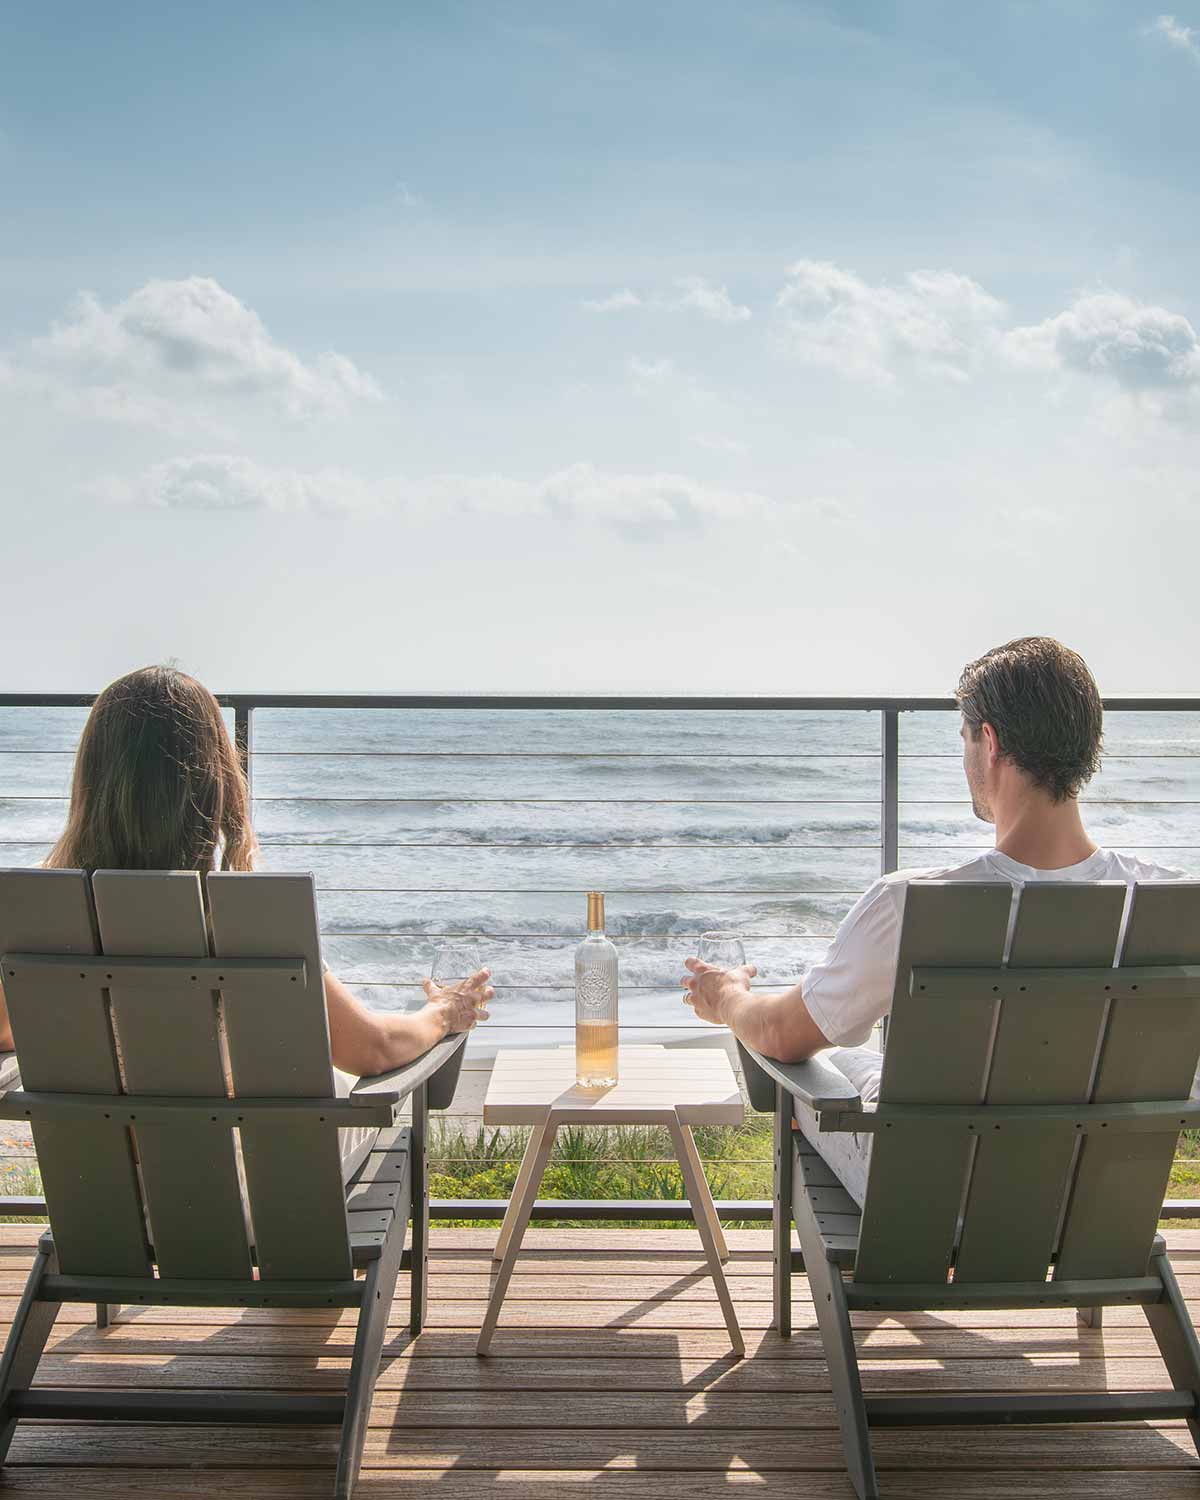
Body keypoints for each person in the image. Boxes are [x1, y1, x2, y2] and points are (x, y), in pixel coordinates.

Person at [681, 636, 1185, 1205]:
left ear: (989, 742)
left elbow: (779, 1034)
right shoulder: (1166, 900)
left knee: (806, 1074)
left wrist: (725, 996)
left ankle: (853, 1280)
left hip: (931, 1208)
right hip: (1095, 1206)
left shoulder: (912, 903)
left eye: (965, 740)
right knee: (852, 1059)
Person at [0, 665, 492, 1178]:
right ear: (216, 778)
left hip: (101, 1191)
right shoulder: (249, 914)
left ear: (91, 777)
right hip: (254, 1191)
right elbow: (373, 1049)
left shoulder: (37, 910)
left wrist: (87, 1028)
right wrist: (443, 1012)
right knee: (373, 1118)